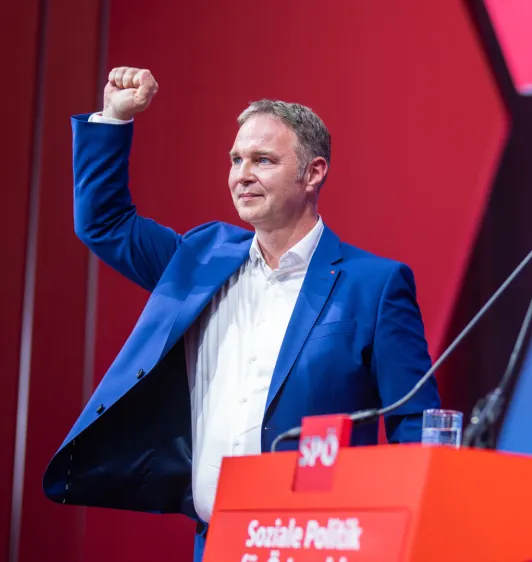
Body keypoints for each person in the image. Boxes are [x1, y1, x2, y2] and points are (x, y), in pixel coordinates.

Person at [42, 67, 441, 561]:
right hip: (217, 543)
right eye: (235, 159)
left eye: (262, 160)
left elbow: (416, 427)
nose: (241, 174)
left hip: (321, 546)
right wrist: (115, 118)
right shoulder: (199, 260)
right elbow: (103, 223)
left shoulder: (375, 284)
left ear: (313, 172)